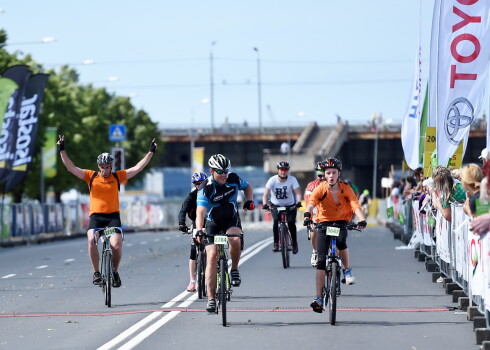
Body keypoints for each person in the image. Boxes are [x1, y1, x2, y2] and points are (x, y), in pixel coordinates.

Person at [57, 135, 157, 287]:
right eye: (102, 167)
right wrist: (62, 149)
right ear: (98, 166)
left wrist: (150, 152)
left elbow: (138, 168)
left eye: (107, 167)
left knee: (116, 245)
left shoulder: (117, 177)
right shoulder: (91, 176)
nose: (104, 170)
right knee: (91, 240)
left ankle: (115, 272)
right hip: (96, 217)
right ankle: (96, 272)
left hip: (112, 218)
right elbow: (71, 168)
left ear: (111, 166)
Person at [303, 157, 366, 313]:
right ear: (324, 175)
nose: (331, 175)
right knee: (321, 262)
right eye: (328, 173)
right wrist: (306, 215)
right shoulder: (321, 188)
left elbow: (355, 205)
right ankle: (318, 298)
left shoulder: (346, 188)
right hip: (323, 223)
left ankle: (347, 271)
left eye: (334, 173)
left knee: (341, 243)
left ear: (339, 174)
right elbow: (311, 202)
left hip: (341, 222)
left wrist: (362, 220)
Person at [194, 154, 255, 313]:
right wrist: (199, 229)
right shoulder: (205, 187)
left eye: (226, 171)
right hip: (212, 221)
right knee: (212, 257)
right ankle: (211, 299)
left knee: (235, 239)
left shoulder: (233, 178)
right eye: (220, 171)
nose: (223, 174)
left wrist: (248, 200)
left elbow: (248, 187)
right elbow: (200, 212)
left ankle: (234, 269)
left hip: (230, 219)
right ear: (212, 171)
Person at [262, 160, 302, 254]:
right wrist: (265, 204)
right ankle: (276, 243)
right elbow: (265, 195)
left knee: (291, 222)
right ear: (278, 170)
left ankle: (294, 243)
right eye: (281, 169)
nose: (283, 172)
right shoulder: (272, 180)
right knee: (276, 221)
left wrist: (298, 203)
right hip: (276, 205)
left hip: (290, 205)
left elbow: (298, 193)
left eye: (285, 170)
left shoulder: (292, 180)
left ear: (287, 171)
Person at [178, 172, 208, 292]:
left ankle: (217, 270)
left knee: (214, 247)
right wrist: (182, 224)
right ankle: (192, 281)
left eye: (201, 183)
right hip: (197, 222)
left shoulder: (212, 192)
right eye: (196, 184)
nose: (199, 185)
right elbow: (183, 210)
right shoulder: (192, 196)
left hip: (211, 222)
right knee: (193, 250)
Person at [304, 161, 327, 267]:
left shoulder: (337, 186)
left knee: (340, 242)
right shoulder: (311, 187)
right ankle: (315, 251)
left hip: (332, 216)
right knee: (314, 230)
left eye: (324, 175)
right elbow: (309, 204)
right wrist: (309, 218)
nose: (322, 178)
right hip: (316, 215)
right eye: (319, 175)